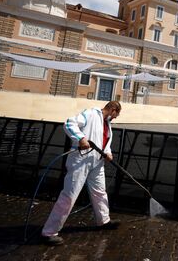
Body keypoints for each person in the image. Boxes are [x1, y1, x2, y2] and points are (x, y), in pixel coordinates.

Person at [41, 101, 122, 245]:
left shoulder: (107, 125)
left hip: (97, 163)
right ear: (113, 109)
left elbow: (104, 142)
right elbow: (69, 123)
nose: (115, 118)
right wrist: (81, 138)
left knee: (100, 192)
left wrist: (108, 153)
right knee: (69, 196)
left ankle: (103, 221)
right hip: (81, 160)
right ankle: (49, 232)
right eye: (116, 115)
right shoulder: (90, 114)